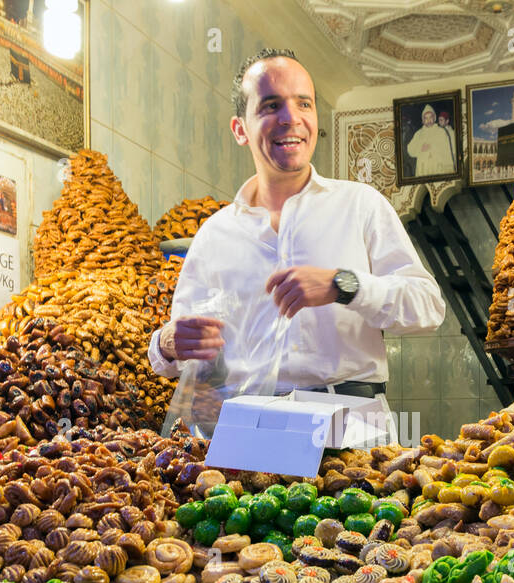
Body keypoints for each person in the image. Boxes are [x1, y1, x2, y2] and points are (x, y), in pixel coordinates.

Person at [148, 49, 445, 436]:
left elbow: (428, 308)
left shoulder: (361, 205)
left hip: (351, 424)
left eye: (303, 103)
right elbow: (178, 348)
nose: (291, 118)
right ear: (240, 129)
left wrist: (343, 284)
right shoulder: (214, 235)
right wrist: (169, 342)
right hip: (248, 429)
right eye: (271, 105)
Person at [406, 103, 456, 178]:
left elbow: (448, 151)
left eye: (430, 117)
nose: (428, 120)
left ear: (434, 118)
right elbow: (410, 150)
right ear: (423, 120)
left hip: (439, 169)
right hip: (423, 169)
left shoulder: (441, 132)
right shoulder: (418, 134)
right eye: (426, 118)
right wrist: (420, 148)